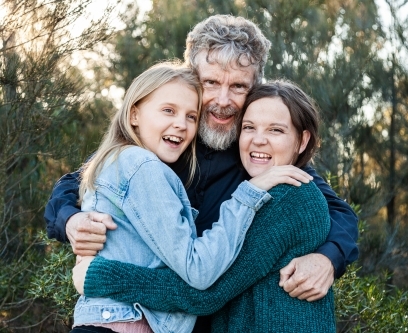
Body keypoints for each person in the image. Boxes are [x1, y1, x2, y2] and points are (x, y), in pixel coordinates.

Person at [44, 15, 359, 332]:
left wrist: (327, 259)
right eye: (210, 83)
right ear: (191, 78)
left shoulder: (262, 157)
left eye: (237, 86)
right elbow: (83, 178)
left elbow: (332, 209)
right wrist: (70, 219)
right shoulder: (166, 140)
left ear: (253, 90)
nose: (222, 101)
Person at [74, 80, 336, 332]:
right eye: (248, 127)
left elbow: (204, 294)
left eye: (275, 130)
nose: (258, 140)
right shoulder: (260, 191)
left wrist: (100, 275)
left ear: (302, 141)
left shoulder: (289, 198)